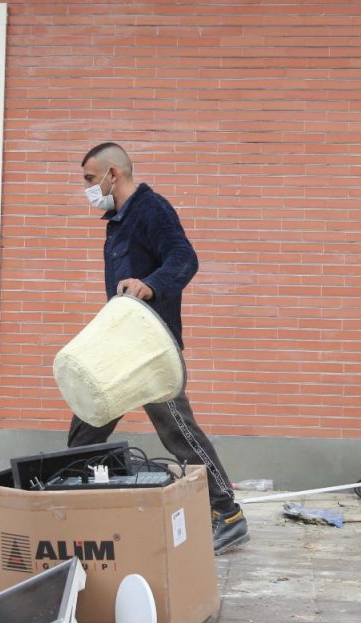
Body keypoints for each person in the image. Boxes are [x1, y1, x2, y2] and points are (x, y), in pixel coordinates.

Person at [69, 142, 249, 555]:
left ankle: (228, 513)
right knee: (89, 419)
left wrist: (150, 285)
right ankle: (75, 506)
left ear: (113, 174)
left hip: (151, 348)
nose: (88, 188)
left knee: (178, 431)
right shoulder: (119, 220)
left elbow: (185, 258)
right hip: (122, 344)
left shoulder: (151, 209)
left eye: (91, 179)